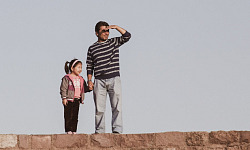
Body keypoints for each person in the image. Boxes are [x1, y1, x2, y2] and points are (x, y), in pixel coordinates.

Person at [86, 21, 131, 134]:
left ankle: (117, 130)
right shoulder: (92, 48)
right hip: (99, 80)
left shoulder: (114, 42)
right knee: (99, 109)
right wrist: (89, 81)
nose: (106, 33)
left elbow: (127, 36)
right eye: (103, 31)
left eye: (108, 31)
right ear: (97, 33)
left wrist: (116, 27)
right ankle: (99, 131)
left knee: (117, 107)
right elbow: (89, 65)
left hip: (114, 78)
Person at [60, 58, 91, 134]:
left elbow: (84, 89)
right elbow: (63, 88)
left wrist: (90, 88)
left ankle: (74, 130)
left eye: (81, 67)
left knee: (75, 116)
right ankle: (68, 130)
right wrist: (64, 98)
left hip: (77, 100)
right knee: (68, 115)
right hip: (69, 99)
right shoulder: (67, 78)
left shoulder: (81, 79)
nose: (80, 69)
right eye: (78, 67)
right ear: (72, 68)